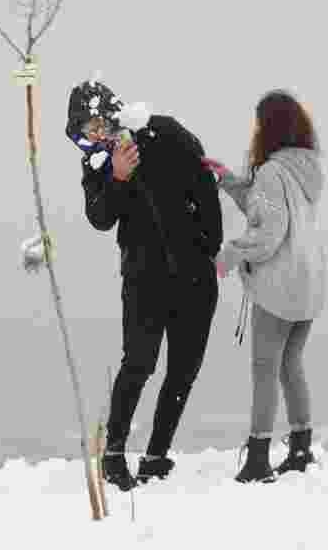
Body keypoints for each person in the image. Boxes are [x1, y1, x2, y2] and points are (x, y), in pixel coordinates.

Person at [65, 80, 223, 491]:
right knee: (139, 363)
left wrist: (208, 248)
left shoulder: (165, 132)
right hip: (143, 280)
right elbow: (100, 218)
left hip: (194, 279)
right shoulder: (97, 165)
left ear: (113, 114)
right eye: (85, 129)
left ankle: (155, 457)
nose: (94, 135)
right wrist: (117, 177)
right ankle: (113, 455)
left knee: (183, 370)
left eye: (97, 123)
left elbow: (205, 185)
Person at [203, 89, 326, 483]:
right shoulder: (304, 169)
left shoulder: (273, 172)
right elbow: (266, 207)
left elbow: (269, 231)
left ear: (268, 126)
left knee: (264, 369)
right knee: (291, 366)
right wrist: (229, 181)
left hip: (280, 288)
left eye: (258, 122)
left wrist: (229, 256)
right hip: (309, 286)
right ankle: (302, 447)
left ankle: (258, 459)